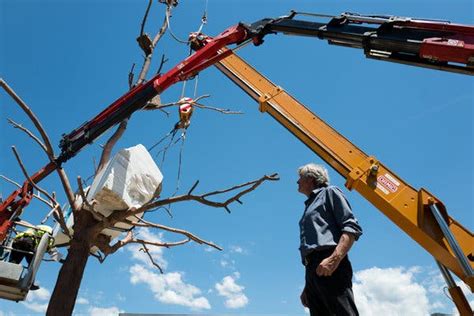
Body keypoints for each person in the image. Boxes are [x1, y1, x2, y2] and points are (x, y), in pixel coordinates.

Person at [297, 163, 362, 316]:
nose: (297, 182)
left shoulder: (330, 192)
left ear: (311, 179)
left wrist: (333, 259)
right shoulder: (309, 205)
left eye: (300, 178)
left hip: (329, 261)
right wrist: (308, 284)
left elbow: (351, 228)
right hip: (312, 268)